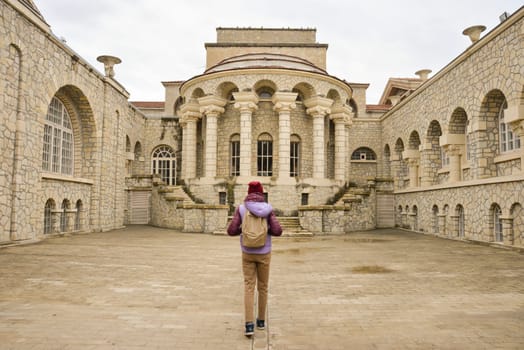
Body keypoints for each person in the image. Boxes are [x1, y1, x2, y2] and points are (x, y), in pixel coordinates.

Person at [227, 181, 282, 337]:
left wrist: (244, 230)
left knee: (249, 287)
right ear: (261, 193)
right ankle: (261, 321)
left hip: (247, 252)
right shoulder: (268, 209)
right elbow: (278, 231)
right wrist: (266, 230)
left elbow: (231, 231)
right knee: (263, 287)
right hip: (264, 252)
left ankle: (249, 324)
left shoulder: (242, 209)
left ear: (248, 192)